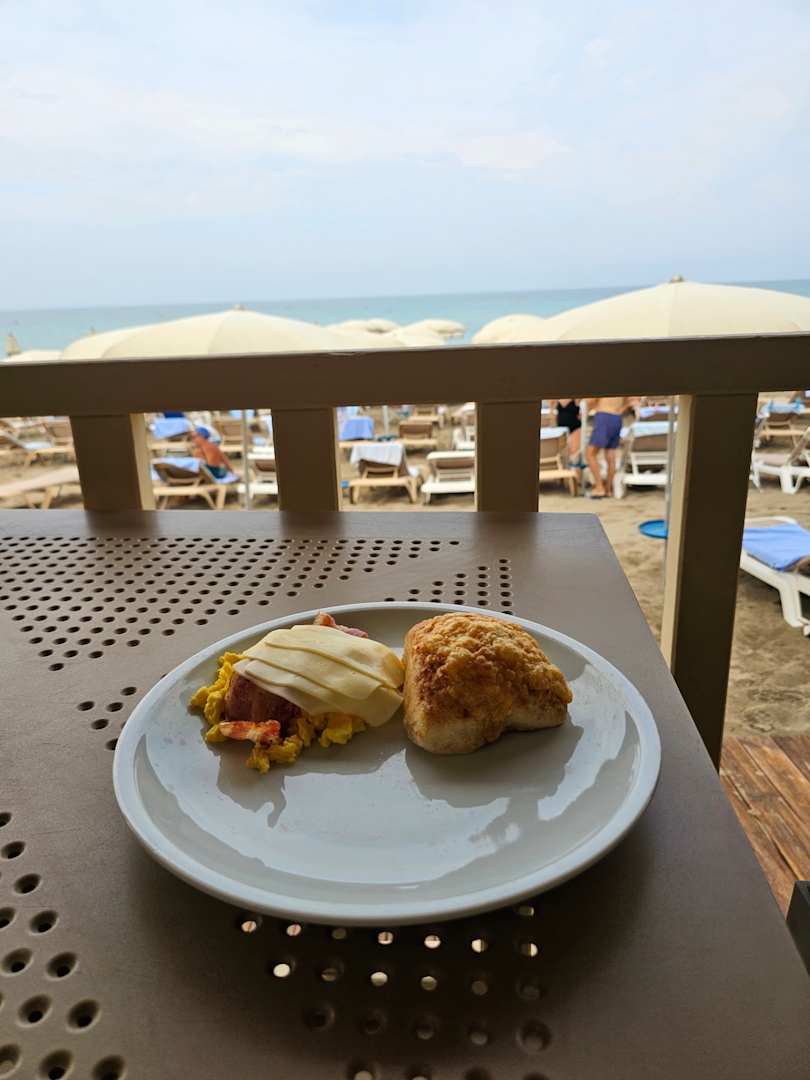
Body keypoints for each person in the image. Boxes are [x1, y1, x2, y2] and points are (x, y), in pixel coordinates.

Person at [584, 397, 636, 498]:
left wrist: (590, 407)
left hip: (604, 416)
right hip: (617, 418)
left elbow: (591, 401)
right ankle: (608, 489)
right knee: (610, 454)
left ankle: (599, 487)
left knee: (590, 454)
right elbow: (631, 401)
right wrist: (620, 409)